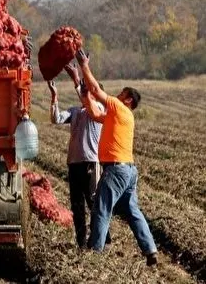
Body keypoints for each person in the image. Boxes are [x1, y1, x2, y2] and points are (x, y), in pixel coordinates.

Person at [75, 49, 158, 266]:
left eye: (122, 94)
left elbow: (96, 89)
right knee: (132, 211)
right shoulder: (120, 115)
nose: (117, 95)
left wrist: (84, 65)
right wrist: (85, 96)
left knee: (101, 208)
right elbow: (94, 113)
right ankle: (150, 249)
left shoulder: (119, 107)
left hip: (116, 169)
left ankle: (94, 253)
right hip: (129, 171)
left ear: (128, 99)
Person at [48, 63, 111, 248]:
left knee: (94, 202)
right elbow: (56, 119)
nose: (87, 93)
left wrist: (76, 77)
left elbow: (86, 98)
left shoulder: (99, 109)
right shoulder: (76, 111)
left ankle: (104, 239)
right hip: (74, 163)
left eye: (91, 91)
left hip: (91, 162)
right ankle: (81, 243)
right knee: (77, 206)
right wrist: (54, 97)